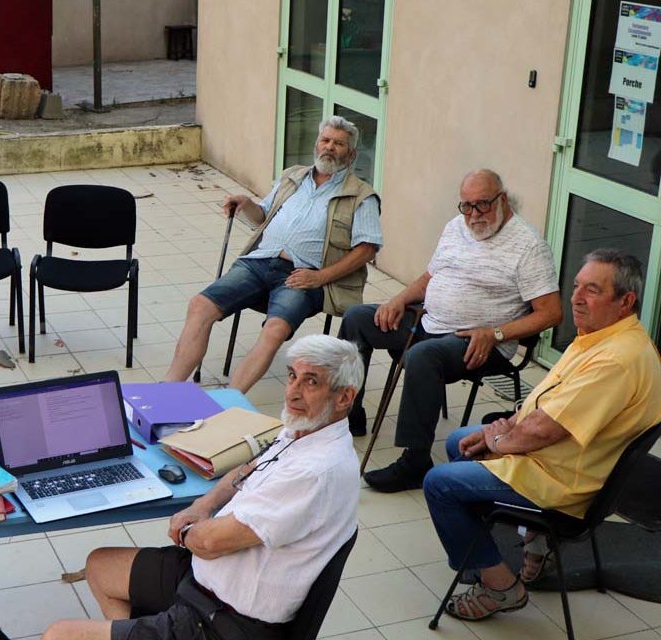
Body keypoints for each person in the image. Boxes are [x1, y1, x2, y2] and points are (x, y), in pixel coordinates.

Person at [43, 334, 363, 640]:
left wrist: (186, 532)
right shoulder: (304, 430)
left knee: (58, 635)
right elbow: (248, 469)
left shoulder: (315, 473)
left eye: (311, 382)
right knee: (100, 566)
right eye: (292, 376)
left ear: (344, 397)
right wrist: (202, 506)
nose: (292, 392)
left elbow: (209, 543)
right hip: (203, 579)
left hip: (225, 620)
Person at [423, 249, 661, 622]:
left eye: (593, 290)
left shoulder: (617, 360)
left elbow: (545, 430)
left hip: (563, 482)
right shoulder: (604, 336)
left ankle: (501, 588)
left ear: (625, 301)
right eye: (577, 286)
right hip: (564, 459)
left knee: (440, 484)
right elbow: (546, 403)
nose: (576, 298)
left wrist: (499, 442)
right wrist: (506, 427)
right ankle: (519, 545)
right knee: (460, 441)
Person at [339, 169, 562, 492]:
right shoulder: (456, 226)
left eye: (482, 204)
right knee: (358, 318)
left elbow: (551, 313)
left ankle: (415, 462)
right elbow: (429, 278)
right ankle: (348, 413)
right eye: (466, 206)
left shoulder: (529, 246)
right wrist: (399, 299)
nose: (473, 215)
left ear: (502, 199)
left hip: (480, 342)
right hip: (428, 321)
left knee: (422, 356)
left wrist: (496, 334)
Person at [164, 116, 382, 393]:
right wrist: (247, 204)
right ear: (316, 145)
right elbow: (263, 216)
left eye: (338, 144)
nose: (329, 147)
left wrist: (320, 278)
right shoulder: (293, 176)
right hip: (258, 262)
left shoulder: (361, 196)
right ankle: (168, 390)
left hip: (303, 276)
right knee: (200, 305)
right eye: (325, 140)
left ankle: (230, 400)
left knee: (275, 330)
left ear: (351, 154)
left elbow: (367, 249)